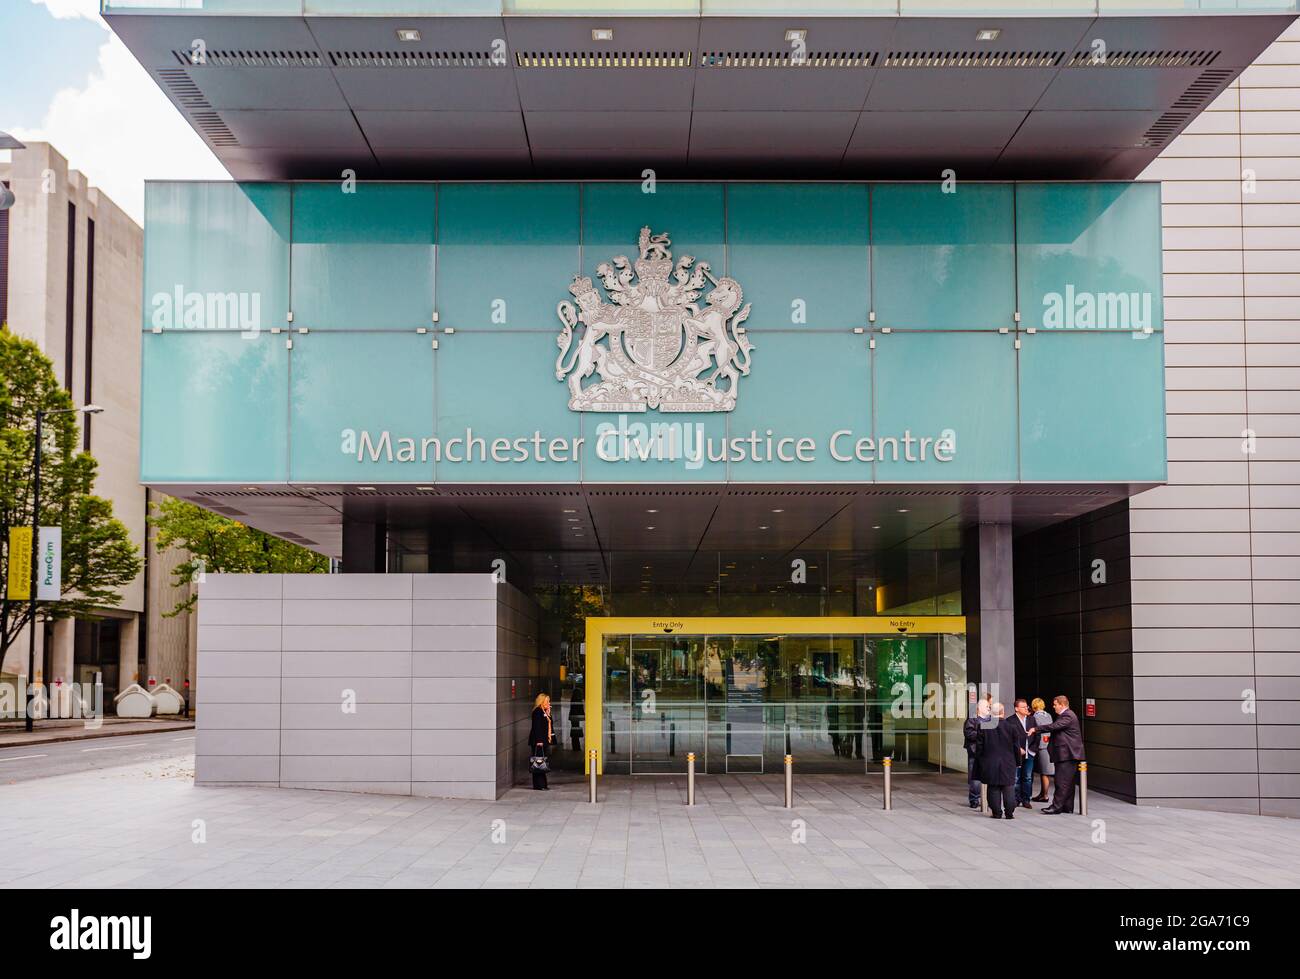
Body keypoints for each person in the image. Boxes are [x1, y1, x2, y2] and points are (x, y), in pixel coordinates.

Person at [1028, 695, 1084, 814]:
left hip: (1067, 754)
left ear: (1062, 705)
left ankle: (1056, 807)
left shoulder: (1068, 715)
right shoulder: (1065, 715)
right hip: (1067, 754)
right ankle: (1067, 807)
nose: (1054, 707)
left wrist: (1036, 729)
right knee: (1067, 782)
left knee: (1061, 781)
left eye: (1055, 704)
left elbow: (1054, 726)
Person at [976, 702, 1026, 819]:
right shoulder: (1012, 727)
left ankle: (996, 813)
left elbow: (979, 747)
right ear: (1003, 713)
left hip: (990, 762)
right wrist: (1018, 762)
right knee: (1008, 787)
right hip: (1008, 762)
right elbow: (1016, 747)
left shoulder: (983, 726)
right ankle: (1009, 813)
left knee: (993, 787)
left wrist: (981, 761)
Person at [963, 699, 991, 808]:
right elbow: (969, 733)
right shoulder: (972, 720)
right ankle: (974, 799)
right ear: (979, 708)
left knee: (988, 776)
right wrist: (983, 734)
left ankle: (987, 799)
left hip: (988, 752)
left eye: (989, 706)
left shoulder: (991, 720)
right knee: (975, 777)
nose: (989, 708)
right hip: (975, 752)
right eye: (986, 706)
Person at [1012, 698, 1036, 810]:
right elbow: (1009, 738)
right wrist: (1017, 749)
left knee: (1027, 777)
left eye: (1026, 706)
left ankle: (1026, 799)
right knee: (1016, 777)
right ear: (1016, 709)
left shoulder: (1032, 719)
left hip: (1030, 753)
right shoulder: (1010, 721)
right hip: (1017, 754)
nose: (1026, 708)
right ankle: (1016, 799)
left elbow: (1037, 735)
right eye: (1023, 707)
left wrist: (1033, 750)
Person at [529, 693, 555, 790]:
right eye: (547, 701)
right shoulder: (537, 711)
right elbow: (537, 727)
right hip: (538, 741)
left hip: (543, 741)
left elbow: (549, 724)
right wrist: (539, 740)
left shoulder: (544, 711)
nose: (549, 703)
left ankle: (542, 784)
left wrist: (548, 713)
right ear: (542, 701)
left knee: (542, 762)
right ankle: (539, 785)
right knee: (538, 763)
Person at [1030, 697, 1054, 802]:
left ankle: (1045, 795)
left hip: (1040, 746)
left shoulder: (1034, 717)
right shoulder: (1048, 715)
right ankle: (1042, 794)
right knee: (1044, 771)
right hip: (1049, 745)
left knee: (1044, 772)